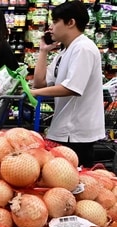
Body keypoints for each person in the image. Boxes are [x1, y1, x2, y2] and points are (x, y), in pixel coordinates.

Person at [30, 1, 105, 168]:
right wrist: (43, 51)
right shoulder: (65, 52)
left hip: (77, 132)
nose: (51, 26)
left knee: (76, 182)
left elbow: (72, 88)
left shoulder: (83, 48)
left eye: (56, 21)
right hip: (65, 129)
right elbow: (39, 83)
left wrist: (35, 94)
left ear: (71, 23)